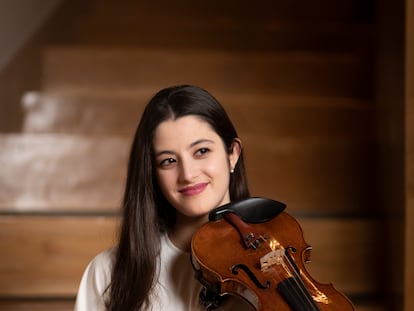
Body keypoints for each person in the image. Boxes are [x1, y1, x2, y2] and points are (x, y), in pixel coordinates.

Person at [74, 85, 254, 311]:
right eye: (168, 161)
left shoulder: (270, 265)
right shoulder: (107, 271)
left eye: (201, 151)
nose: (188, 175)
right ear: (152, 172)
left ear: (232, 154)